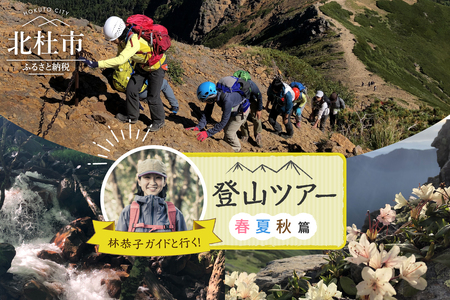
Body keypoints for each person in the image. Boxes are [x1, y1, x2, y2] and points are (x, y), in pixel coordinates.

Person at [79, 16, 167, 132]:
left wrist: (96, 64)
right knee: (131, 89)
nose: (111, 42)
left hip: (157, 66)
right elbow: (120, 60)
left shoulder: (133, 42)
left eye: (112, 39)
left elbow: (120, 60)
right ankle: (132, 116)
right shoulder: (122, 42)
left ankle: (159, 121)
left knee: (152, 96)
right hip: (143, 66)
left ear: (118, 36)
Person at [115, 158, 187, 232]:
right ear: (139, 181)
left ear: (164, 181)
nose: (152, 182)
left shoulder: (176, 214)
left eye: (158, 177)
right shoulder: (127, 213)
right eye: (147, 177)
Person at [187, 80, 250, 152]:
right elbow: (207, 113)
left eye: (206, 100)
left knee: (229, 132)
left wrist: (208, 133)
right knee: (226, 131)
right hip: (233, 108)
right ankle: (227, 146)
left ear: (211, 97)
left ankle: (237, 150)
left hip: (241, 112)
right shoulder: (215, 94)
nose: (206, 103)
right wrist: (199, 126)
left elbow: (223, 121)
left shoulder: (227, 100)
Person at [111, 60, 179, 114]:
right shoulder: (142, 61)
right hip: (138, 91)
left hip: (120, 86)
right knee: (164, 83)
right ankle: (175, 106)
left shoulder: (125, 58)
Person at [233, 70, 263, 147]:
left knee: (256, 117)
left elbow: (259, 96)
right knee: (242, 117)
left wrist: (259, 109)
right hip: (242, 100)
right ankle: (245, 134)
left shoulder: (252, 85)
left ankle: (258, 134)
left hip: (252, 99)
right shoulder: (235, 86)